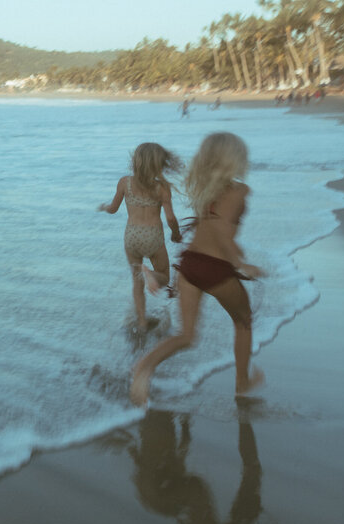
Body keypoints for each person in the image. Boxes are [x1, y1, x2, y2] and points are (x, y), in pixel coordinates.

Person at [130, 132, 265, 406]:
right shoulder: (239, 191)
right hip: (216, 268)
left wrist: (234, 252)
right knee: (243, 321)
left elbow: (210, 230)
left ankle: (144, 367)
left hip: (190, 265)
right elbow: (221, 230)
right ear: (234, 159)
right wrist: (241, 264)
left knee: (187, 335)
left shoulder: (207, 191)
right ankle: (242, 383)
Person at [99, 143, 183, 331]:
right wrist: (176, 234)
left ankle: (142, 323)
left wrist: (104, 207)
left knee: (136, 283)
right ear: (159, 165)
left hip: (131, 236)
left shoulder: (124, 183)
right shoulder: (162, 188)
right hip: (153, 236)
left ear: (135, 161)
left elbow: (113, 209)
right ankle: (150, 274)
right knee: (164, 277)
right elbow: (170, 218)